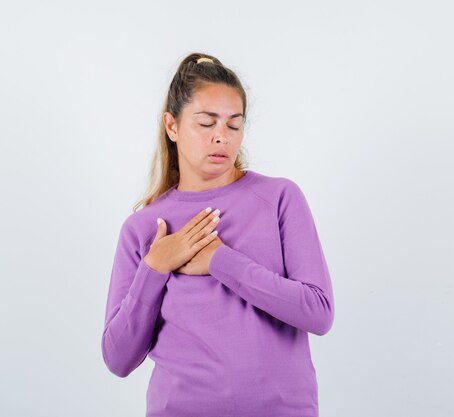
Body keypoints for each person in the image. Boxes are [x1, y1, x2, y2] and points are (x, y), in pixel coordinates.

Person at [100, 53, 335, 417]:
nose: (221, 137)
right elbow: (118, 359)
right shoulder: (143, 229)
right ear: (172, 126)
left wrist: (221, 261)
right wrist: (155, 267)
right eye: (206, 123)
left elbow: (318, 313)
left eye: (234, 125)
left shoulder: (278, 198)